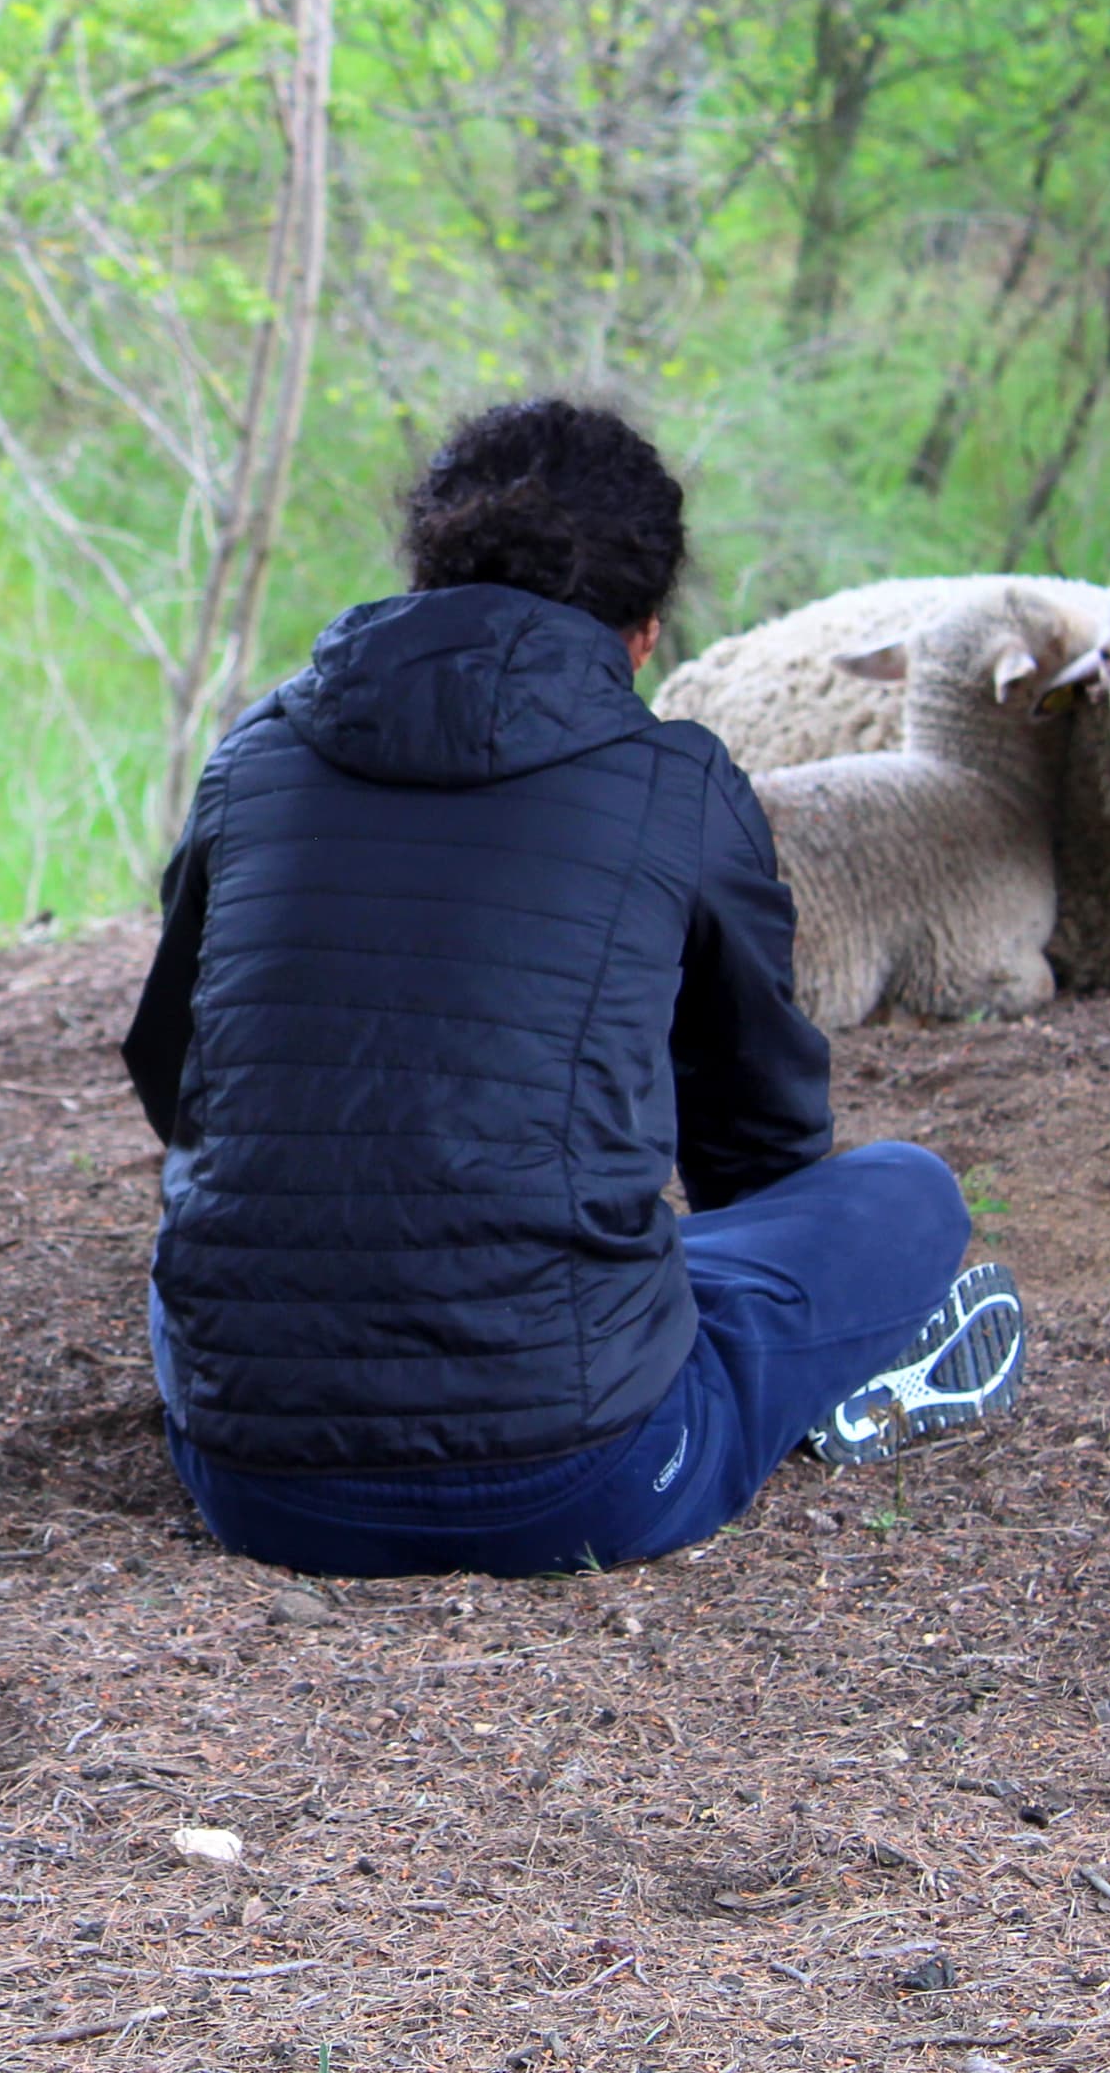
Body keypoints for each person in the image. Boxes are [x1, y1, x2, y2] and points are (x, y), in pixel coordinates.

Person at [120, 395, 1025, 1580]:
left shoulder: (255, 758)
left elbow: (174, 1073)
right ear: (644, 632)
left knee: (212, 1250)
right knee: (908, 1194)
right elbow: (758, 1141)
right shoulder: (676, 784)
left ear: (428, 572)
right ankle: (817, 1377)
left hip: (252, 1479)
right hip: (576, 1478)